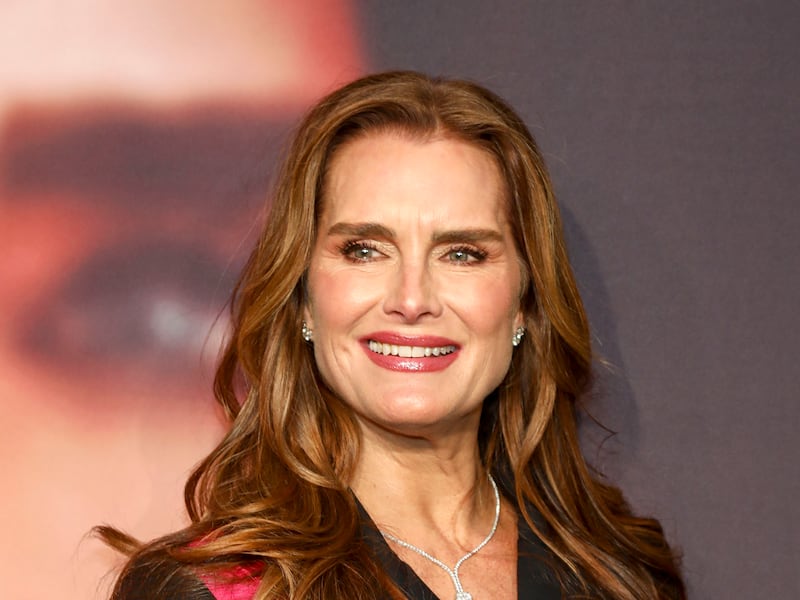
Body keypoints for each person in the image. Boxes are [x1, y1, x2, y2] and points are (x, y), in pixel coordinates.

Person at [98, 70, 685, 599]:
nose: (411, 300)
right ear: (302, 295)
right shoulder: (216, 590)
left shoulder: (620, 576)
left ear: (524, 306)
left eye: (462, 253)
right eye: (364, 250)